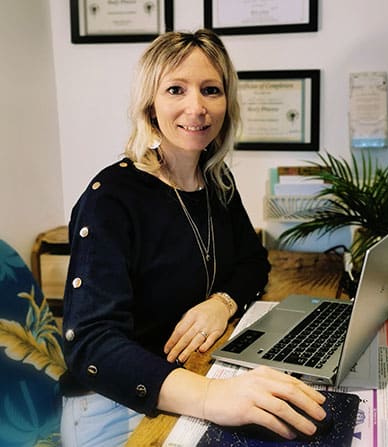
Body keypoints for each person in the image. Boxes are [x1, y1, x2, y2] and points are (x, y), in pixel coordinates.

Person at [60, 29, 326, 446]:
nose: (196, 107)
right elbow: (91, 346)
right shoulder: (110, 198)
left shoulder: (217, 182)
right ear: (151, 104)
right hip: (114, 404)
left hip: (197, 376)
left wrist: (222, 304)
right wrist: (211, 397)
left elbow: (254, 263)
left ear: (227, 102)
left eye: (210, 90)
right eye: (175, 89)